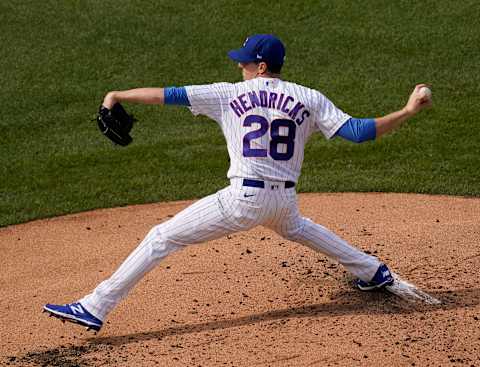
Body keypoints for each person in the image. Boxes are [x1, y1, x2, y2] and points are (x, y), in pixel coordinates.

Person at [44, 34, 432, 332]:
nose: (240, 67)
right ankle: (372, 271)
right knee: (298, 227)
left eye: (246, 62)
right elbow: (360, 132)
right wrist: (408, 110)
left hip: (243, 199)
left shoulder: (229, 95)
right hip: (283, 200)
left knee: (162, 237)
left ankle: (96, 306)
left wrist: (116, 94)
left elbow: (169, 96)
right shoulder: (308, 98)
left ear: (261, 67)